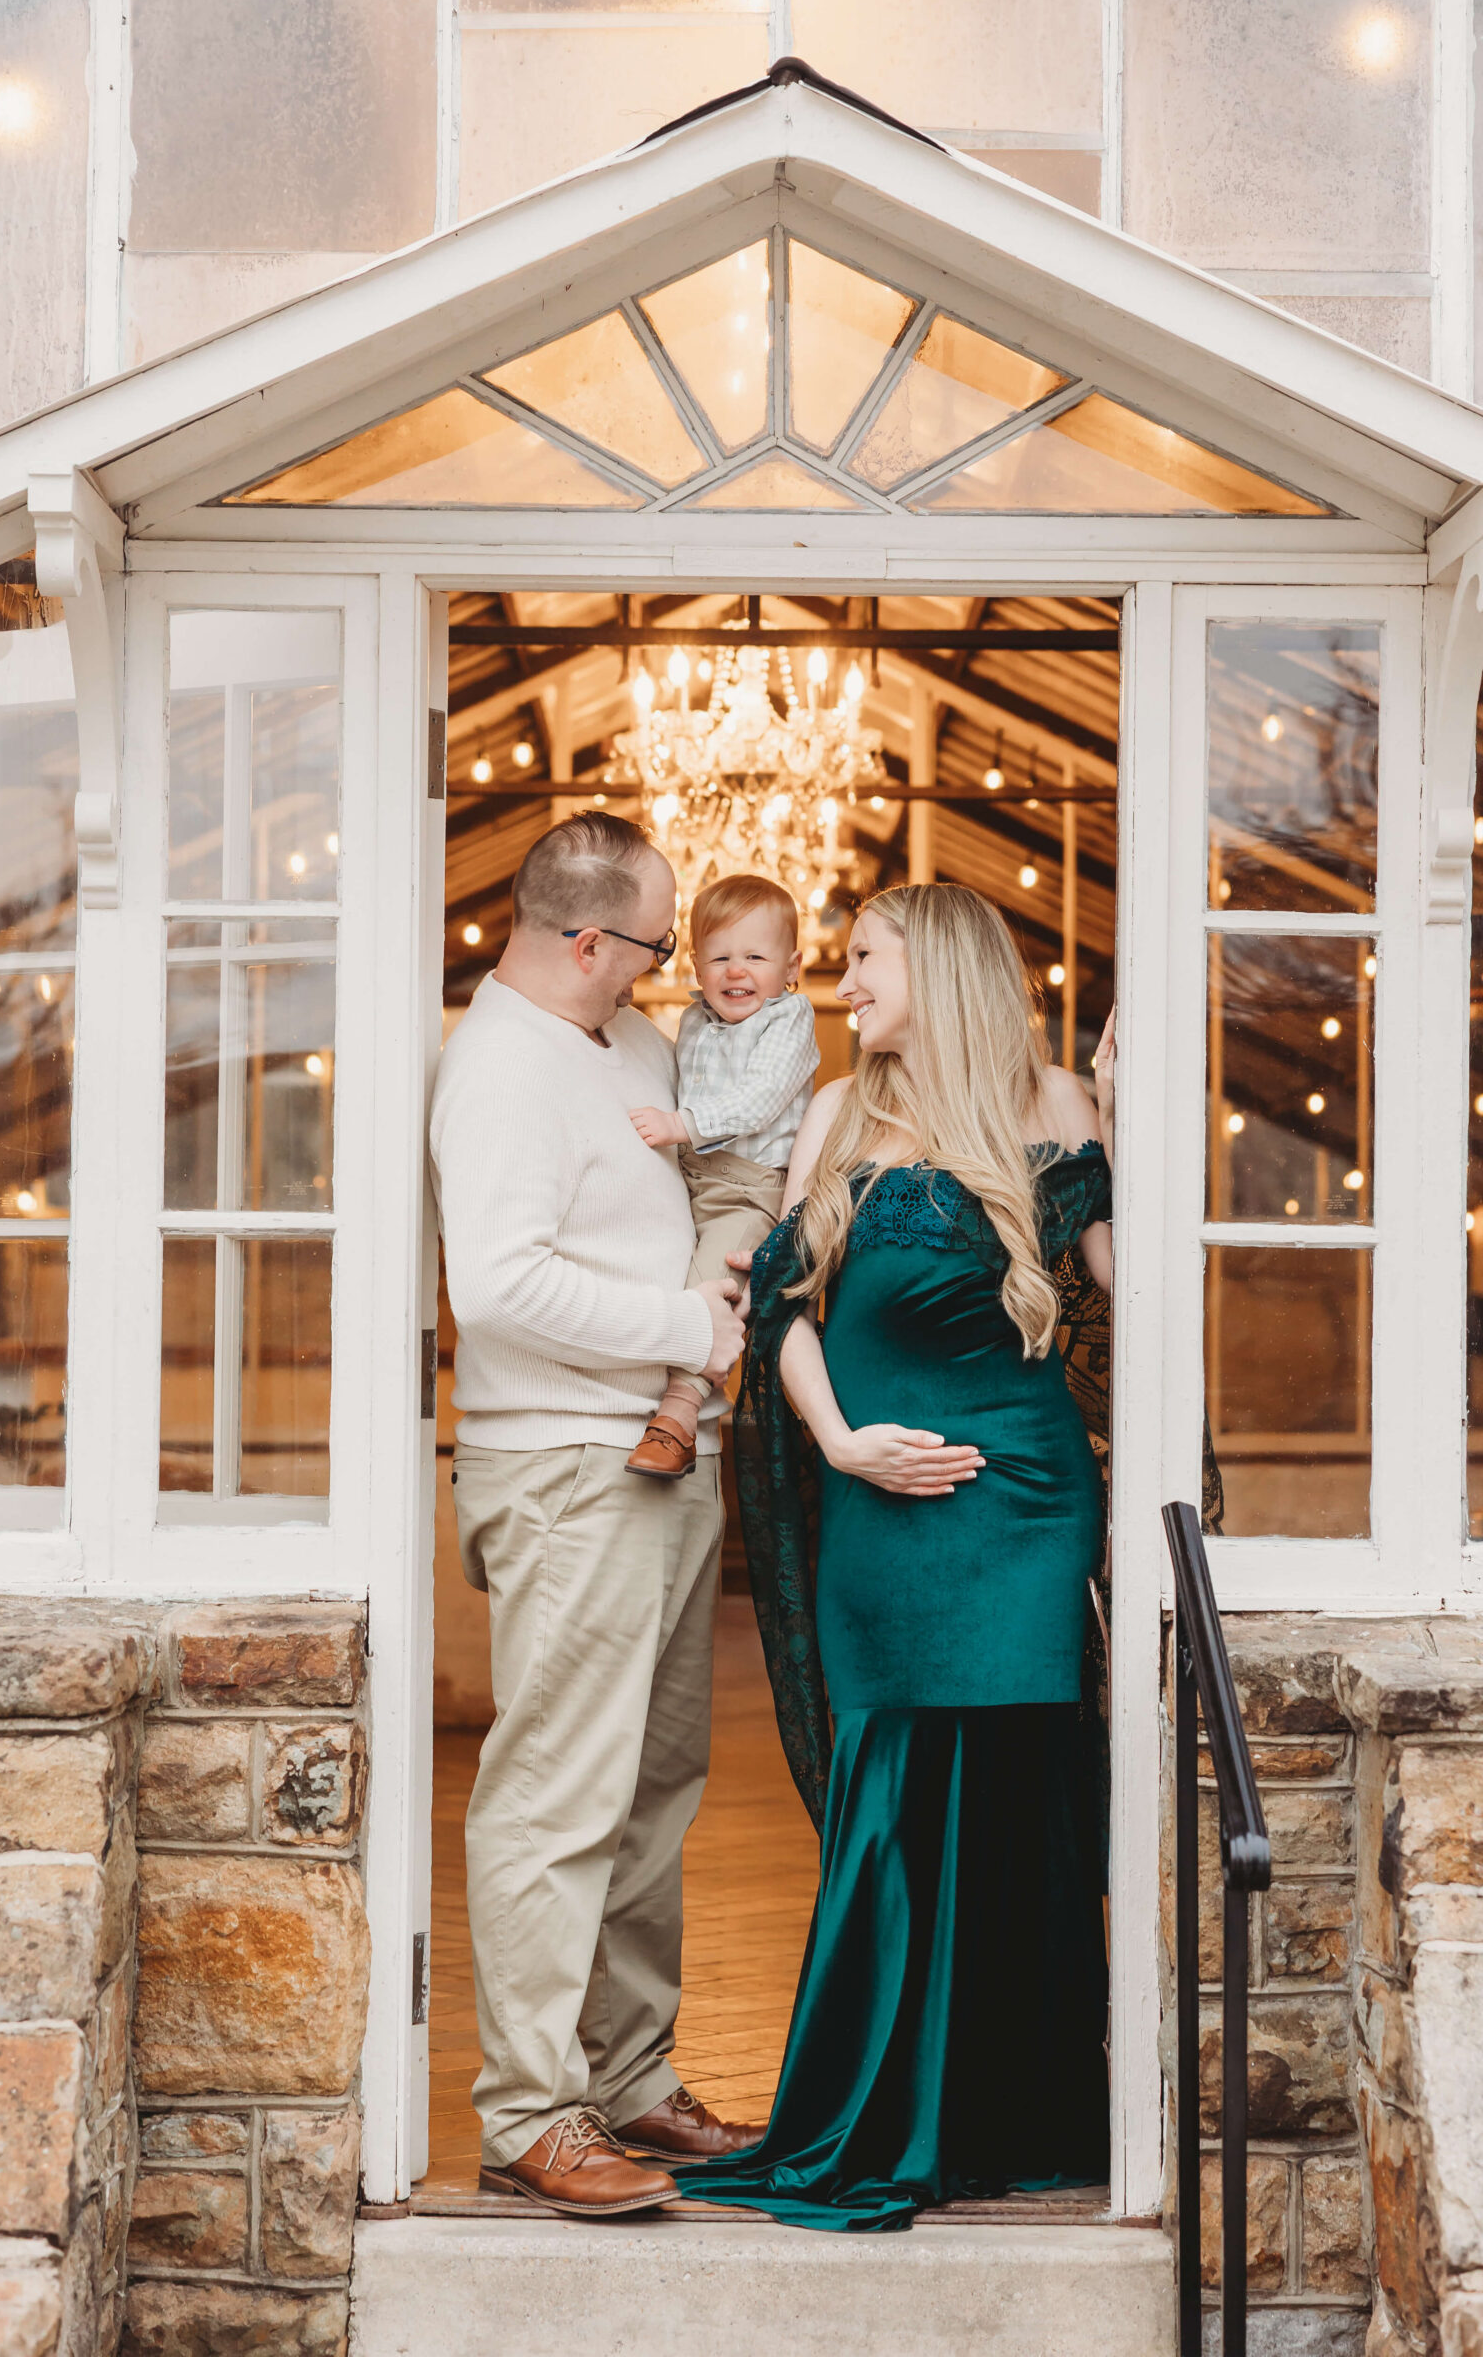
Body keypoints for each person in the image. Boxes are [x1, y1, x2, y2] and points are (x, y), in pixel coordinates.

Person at [675, 880, 1118, 2231]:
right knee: (891, 1795)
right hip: (876, 1499)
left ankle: (1015, 2121)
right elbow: (780, 1316)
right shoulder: (835, 1112)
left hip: (1025, 1505)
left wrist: (1129, 1116)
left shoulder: (1048, 1105)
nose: (845, 984)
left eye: (865, 959)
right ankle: (876, 2119)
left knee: (1019, 1799)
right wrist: (840, 1441)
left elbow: (1129, 1280)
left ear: (939, 965)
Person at [429, 811, 765, 2217]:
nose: (669, 965)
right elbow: (497, 1287)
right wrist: (685, 1321)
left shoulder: (624, 1046)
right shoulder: (499, 1067)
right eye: (656, 941)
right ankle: (527, 2114)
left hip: (661, 1461)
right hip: (563, 1468)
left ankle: (628, 2075)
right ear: (584, 941)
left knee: (651, 1790)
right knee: (555, 1798)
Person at [625, 874, 820, 1477]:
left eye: (756, 957)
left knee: (713, 1291)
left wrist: (680, 1124)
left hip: (748, 1186)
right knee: (666, 1276)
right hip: (692, 1178)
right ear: (695, 962)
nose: (737, 971)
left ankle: (678, 1419)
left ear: (792, 965)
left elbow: (760, 1100)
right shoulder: (691, 1021)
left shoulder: (789, 1020)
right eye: (720, 956)